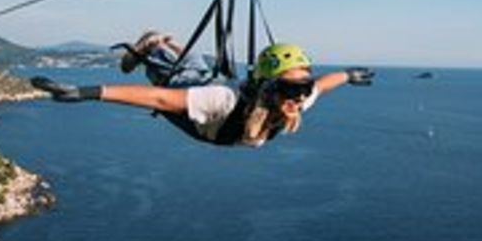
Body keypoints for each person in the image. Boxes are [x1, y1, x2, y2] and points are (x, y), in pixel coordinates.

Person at [31, 34, 373, 147]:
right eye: (291, 88)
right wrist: (85, 92)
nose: (300, 96)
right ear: (268, 88)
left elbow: (323, 85)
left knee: (199, 70)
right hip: (201, 104)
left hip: (212, 98)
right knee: (172, 75)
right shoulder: (224, 101)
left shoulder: (295, 102)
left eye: (303, 87)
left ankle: (164, 42)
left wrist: (348, 75)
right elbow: (159, 99)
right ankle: (153, 44)